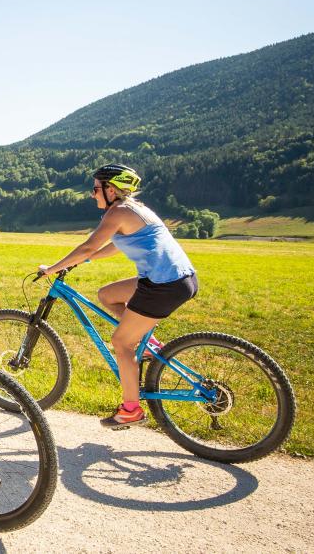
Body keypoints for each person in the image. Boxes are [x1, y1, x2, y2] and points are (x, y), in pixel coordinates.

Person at [38, 164, 198, 429]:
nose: (92, 194)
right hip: (178, 278)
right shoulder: (137, 209)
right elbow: (114, 246)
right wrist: (80, 261)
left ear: (110, 190)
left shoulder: (118, 211)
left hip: (163, 284)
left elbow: (90, 244)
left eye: (95, 188)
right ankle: (149, 344)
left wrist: (53, 268)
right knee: (107, 294)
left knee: (121, 343)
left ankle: (131, 410)